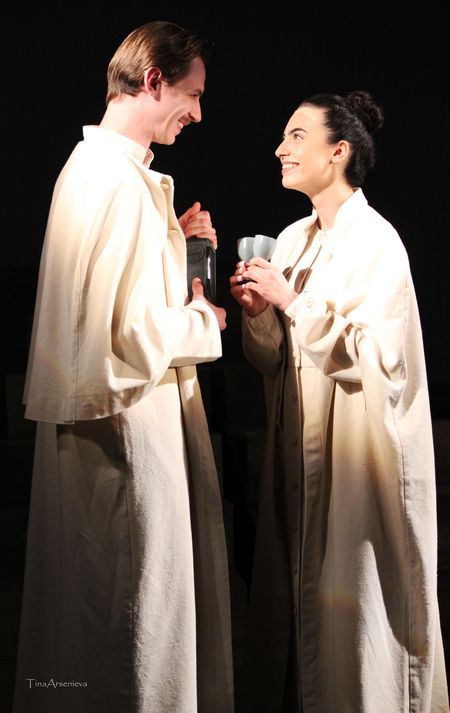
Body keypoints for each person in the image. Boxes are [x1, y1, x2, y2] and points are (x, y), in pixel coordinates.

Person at [14, 20, 234, 713]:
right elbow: (123, 333)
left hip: (101, 433)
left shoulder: (93, 171)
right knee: (133, 628)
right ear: (154, 80)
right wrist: (205, 320)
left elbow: (106, 300)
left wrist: (178, 248)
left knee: (95, 625)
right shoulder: (117, 183)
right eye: (192, 94)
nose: (197, 113)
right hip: (125, 438)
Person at [230, 90, 448, 712]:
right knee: (294, 613)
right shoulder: (292, 239)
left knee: (355, 617)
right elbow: (273, 361)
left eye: (297, 136)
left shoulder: (378, 242)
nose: (281, 148)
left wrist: (293, 303)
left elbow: (380, 362)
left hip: (353, 458)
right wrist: (259, 314)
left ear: (339, 151)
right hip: (297, 455)